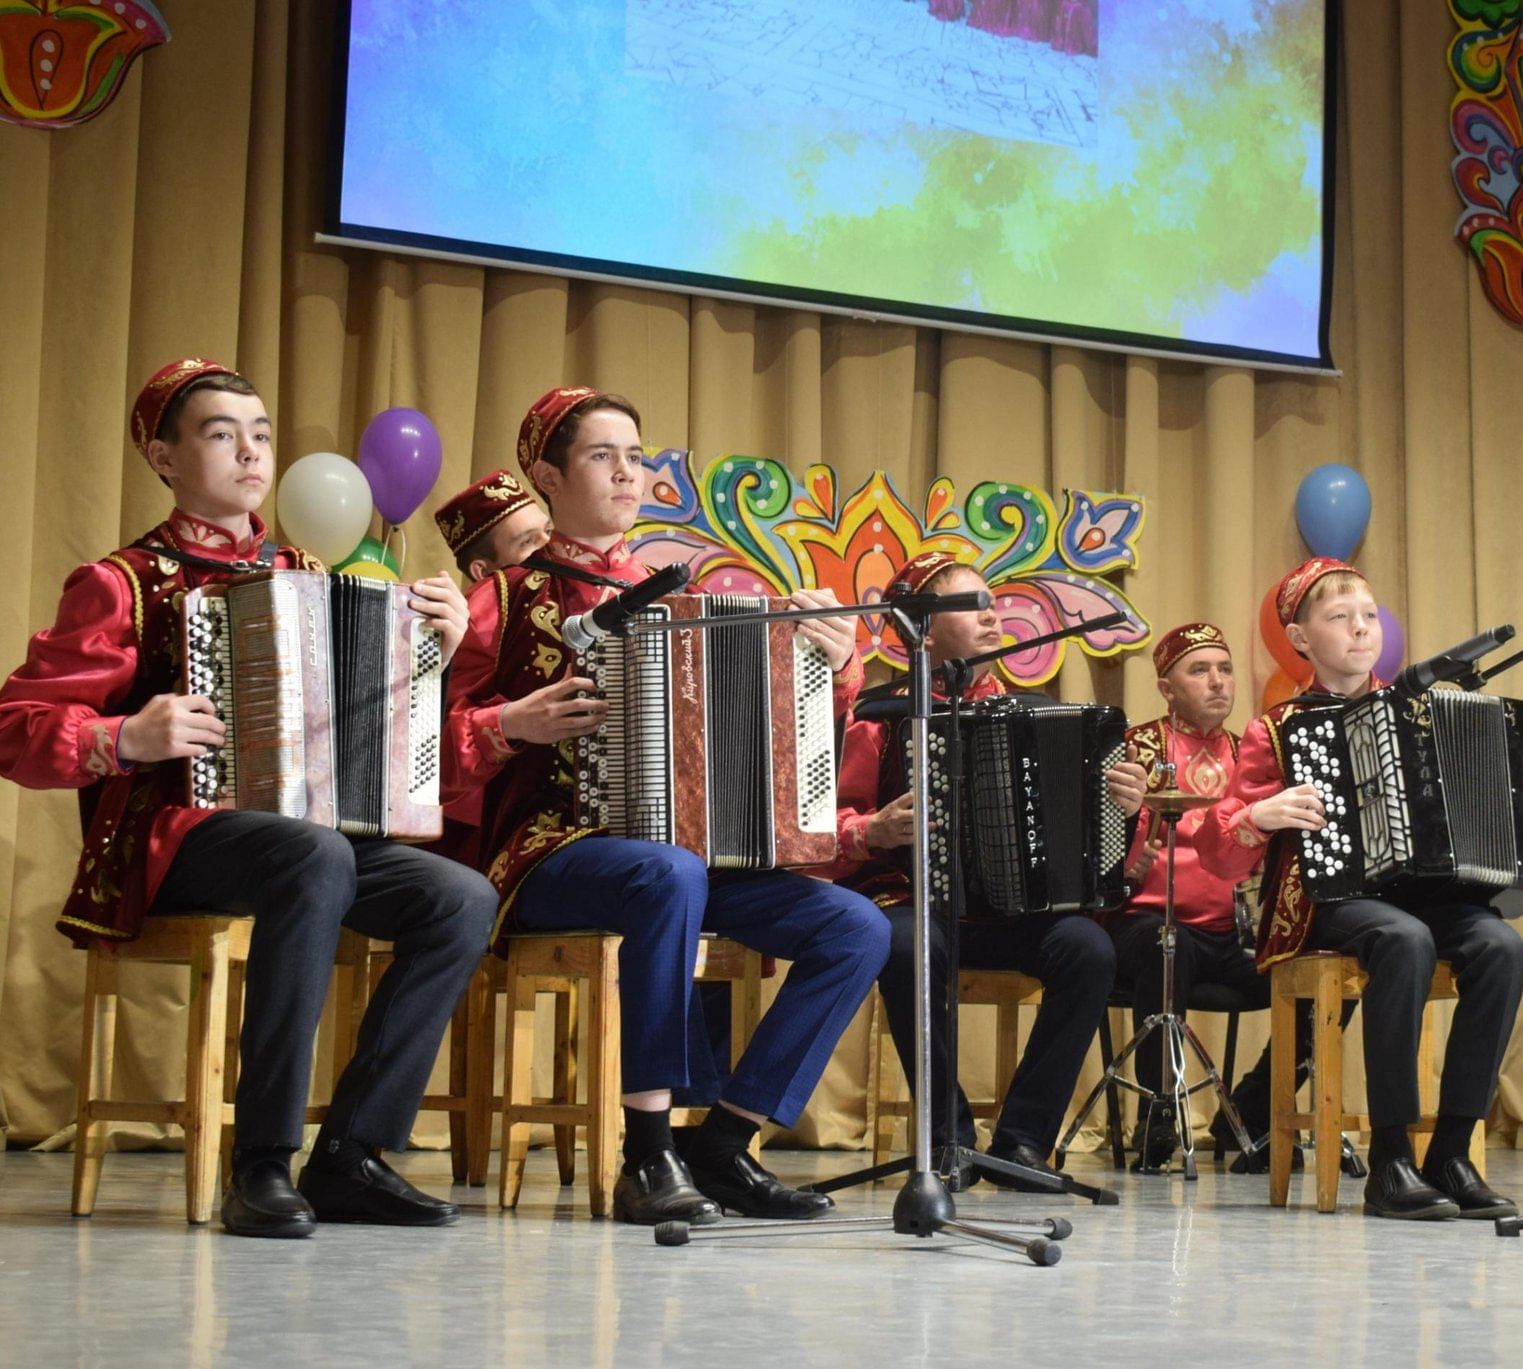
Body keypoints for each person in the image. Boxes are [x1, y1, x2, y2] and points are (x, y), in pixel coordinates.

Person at [0, 358, 497, 1238]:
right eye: (221, 433)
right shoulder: (124, 582)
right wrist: (122, 737)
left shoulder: (319, 572)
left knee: (458, 894)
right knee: (313, 852)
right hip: (173, 841)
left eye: (261, 434)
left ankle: (351, 1151)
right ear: (162, 455)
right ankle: (261, 1163)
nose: (249, 452)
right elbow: (18, 724)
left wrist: (443, 650)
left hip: (311, 842)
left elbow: (393, 732)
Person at [443, 386, 889, 1224]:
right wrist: (510, 722)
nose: (627, 471)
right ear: (546, 473)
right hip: (545, 851)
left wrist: (832, 668)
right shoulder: (500, 600)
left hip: (676, 858)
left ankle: (720, 1144)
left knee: (854, 926)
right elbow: (425, 746)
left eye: (637, 455)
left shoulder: (683, 599)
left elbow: (770, 740)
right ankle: (646, 1152)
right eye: (602, 455)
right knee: (667, 870)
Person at [1194, 557, 1523, 1220]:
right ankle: (1390, 1156)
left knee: (1503, 948)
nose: (1360, 629)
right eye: (1339, 617)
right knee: (1403, 937)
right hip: (1324, 900)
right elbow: (1218, 846)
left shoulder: (1424, 711)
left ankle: (1451, 1150)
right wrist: (1259, 815)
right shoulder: (1276, 730)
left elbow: (1496, 794)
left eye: (1368, 615)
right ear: (1301, 638)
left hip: (1428, 895)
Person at [830, 550, 1146, 1187]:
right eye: (973, 606)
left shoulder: (1039, 712)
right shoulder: (879, 718)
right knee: (903, 944)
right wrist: (874, 829)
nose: (994, 617)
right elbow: (831, 827)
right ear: (922, 626)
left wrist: (1122, 809)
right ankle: (946, 1136)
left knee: (1087, 949)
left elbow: (1097, 848)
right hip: (915, 898)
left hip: (1015, 910)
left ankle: (1024, 1140)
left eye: (995, 604)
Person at [1112, 622, 1280, 1169]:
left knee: (1322, 969)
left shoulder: (1250, 752)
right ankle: (1159, 1111)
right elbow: (1105, 850)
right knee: (1169, 947)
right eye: (1199, 670)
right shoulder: (1135, 749)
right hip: (1149, 924)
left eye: (1225, 669)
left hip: (1236, 932)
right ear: (1166, 687)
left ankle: (1253, 1111)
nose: (1217, 682)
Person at [429, 470, 550, 868]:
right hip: (476, 815)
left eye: (547, 532)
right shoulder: (494, 598)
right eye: (529, 542)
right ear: (483, 571)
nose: (548, 547)